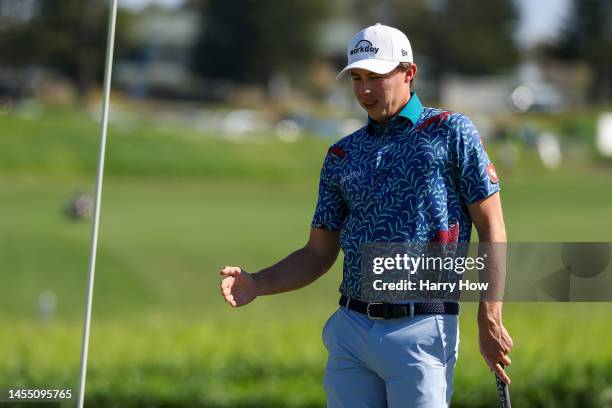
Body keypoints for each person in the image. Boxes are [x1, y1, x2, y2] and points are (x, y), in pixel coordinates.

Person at [220, 23, 513, 407]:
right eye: (357, 78)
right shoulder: (342, 155)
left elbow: (492, 227)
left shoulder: (451, 132)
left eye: (376, 76)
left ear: (409, 72)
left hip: (422, 327)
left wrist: (488, 317)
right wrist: (257, 283)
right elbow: (317, 254)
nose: (364, 90)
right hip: (352, 331)